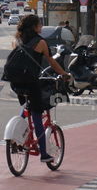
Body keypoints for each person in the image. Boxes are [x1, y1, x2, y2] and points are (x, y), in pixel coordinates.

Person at [9, 14, 70, 163]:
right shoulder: (41, 42)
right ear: (34, 27)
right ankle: (44, 154)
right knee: (37, 114)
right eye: (40, 25)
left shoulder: (17, 40)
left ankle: (16, 136)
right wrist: (63, 74)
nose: (41, 27)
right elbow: (52, 62)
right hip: (31, 82)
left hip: (16, 82)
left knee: (25, 106)